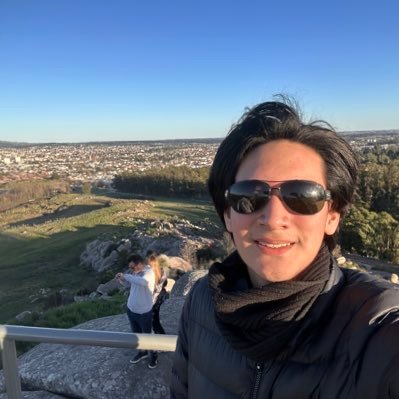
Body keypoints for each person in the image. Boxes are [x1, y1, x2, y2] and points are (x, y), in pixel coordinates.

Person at [170, 98, 399, 398]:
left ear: (332, 215)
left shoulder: (372, 324)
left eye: (302, 196)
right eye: (249, 196)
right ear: (227, 213)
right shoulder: (202, 304)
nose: (273, 218)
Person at [115, 253, 158, 369]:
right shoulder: (135, 273)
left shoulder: (149, 273)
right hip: (132, 311)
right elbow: (132, 284)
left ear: (140, 263)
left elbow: (143, 282)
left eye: (133, 267)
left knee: (148, 335)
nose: (132, 269)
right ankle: (142, 352)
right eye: (130, 268)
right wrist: (122, 280)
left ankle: (153, 355)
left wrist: (126, 276)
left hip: (144, 313)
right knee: (137, 335)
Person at [147, 251, 168, 334]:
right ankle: (159, 334)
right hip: (160, 298)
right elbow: (165, 283)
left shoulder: (150, 273)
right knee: (156, 319)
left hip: (153, 299)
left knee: (154, 321)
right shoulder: (162, 271)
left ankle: (160, 337)